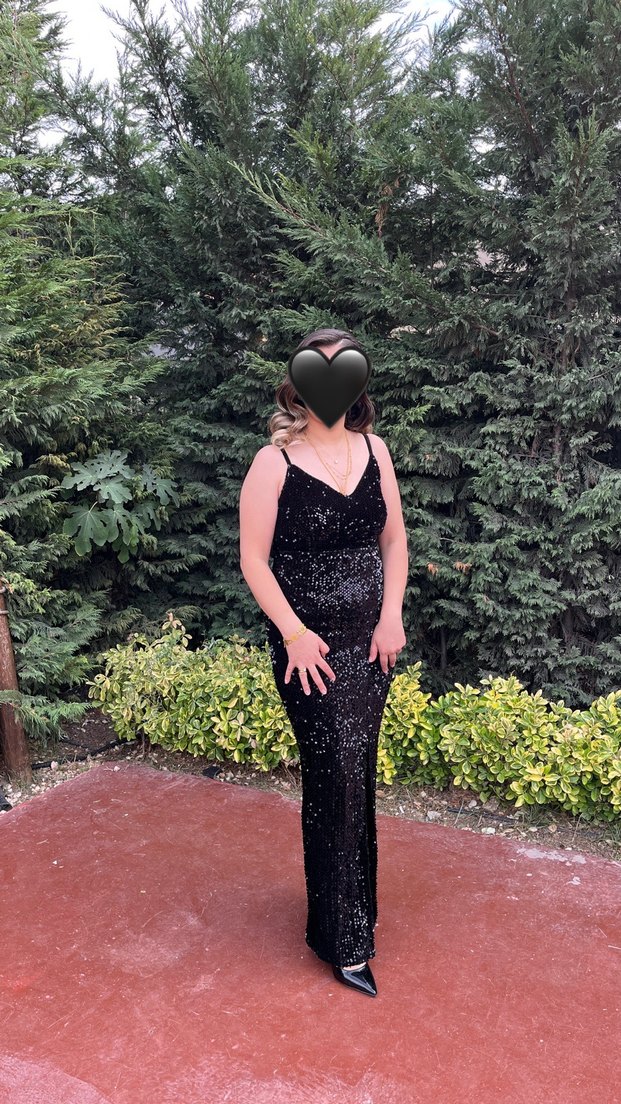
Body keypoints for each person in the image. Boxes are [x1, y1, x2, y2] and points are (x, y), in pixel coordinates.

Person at [239, 327, 408, 997]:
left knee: (355, 774)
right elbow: (254, 560)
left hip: (370, 644)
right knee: (334, 775)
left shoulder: (375, 450)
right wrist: (292, 634)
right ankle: (342, 939)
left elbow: (394, 542)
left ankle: (352, 915)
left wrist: (391, 615)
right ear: (298, 385)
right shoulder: (272, 463)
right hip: (308, 652)